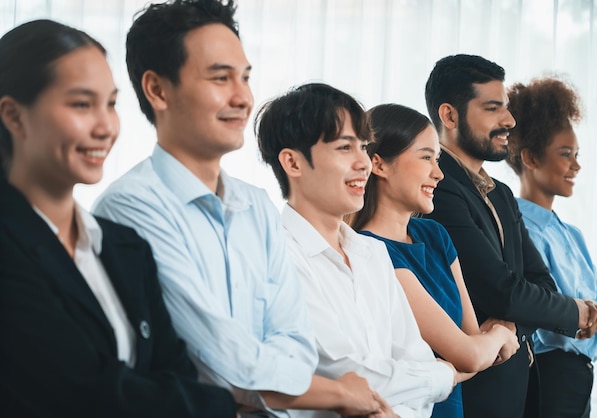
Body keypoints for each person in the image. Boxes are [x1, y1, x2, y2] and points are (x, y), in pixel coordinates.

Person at [93, 1, 379, 416]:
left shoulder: (256, 204)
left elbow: (298, 347)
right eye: (220, 77)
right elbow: (226, 363)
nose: (243, 97)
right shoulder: (130, 208)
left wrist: (274, 385)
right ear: (157, 89)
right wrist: (335, 393)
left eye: (245, 77)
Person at [0, 19, 236, 417]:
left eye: (110, 103)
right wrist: (222, 405)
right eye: (81, 104)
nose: (105, 126)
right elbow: (87, 394)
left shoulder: (124, 247)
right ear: (14, 116)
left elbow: (177, 374)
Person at [256, 82, 461, 418]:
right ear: (293, 163)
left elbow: (415, 361)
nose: (364, 163)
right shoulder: (276, 256)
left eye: (364, 147)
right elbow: (347, 376)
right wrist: (443, 375)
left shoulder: (372, 253)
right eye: (344, 148)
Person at [422, 54, 597, 418]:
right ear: (449, 116)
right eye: (493, 109)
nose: (509, 120)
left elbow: (541, 283)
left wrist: (511, 322)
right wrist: (574, 311)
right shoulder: (435, 187)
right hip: (473, 394)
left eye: (506, 107)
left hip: (518, 390)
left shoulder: (502, 193)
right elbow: (500, 289)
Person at [348, 103, 520, 418]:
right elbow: (470, 353)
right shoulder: (371, 251)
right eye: (426, 157)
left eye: (437, 159)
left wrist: (471, 353)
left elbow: (471, 343)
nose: (438, 173)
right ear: (379, 165)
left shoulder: (434, 235)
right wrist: (501, 334)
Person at [506, 76, 597, 418]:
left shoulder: (573, 234)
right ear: (530, 158)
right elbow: (546, 310)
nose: (576, 165)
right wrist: (589, 324)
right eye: (565, 154)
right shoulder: (517, 229)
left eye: (577, 154)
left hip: (579, 378)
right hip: (546, 376)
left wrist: (595, 318)